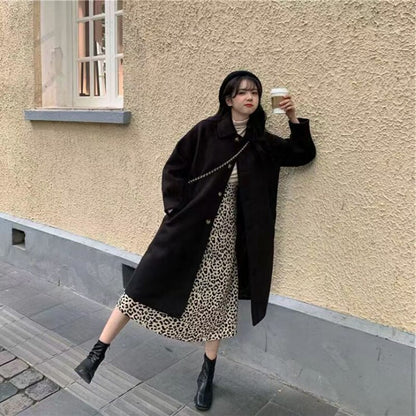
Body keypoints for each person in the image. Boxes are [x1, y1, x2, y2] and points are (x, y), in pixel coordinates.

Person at [74, 70, 316, 411]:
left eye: (255, 92)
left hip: (228, 233)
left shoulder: (260, 140)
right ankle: (97, 352)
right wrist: (175, 210)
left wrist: (293, 118)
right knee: (145, 282)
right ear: (228, 99)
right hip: (189, 226)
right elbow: (174, 168)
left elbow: (302, 154)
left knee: (216, 301)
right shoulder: (206, 131)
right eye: (242, 92)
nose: (250, 97)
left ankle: (207, 373)